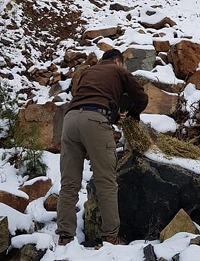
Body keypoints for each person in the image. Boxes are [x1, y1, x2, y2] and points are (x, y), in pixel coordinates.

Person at [56, 49, 148, 246]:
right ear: (117, 61)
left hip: (70, 121)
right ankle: (110, 236)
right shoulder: (118, 71)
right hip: (95, 120)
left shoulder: (89, 72)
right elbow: (141, 97)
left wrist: (114, 115)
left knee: (69, 183)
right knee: (106, 181)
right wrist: (132, 114)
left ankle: (65, 236)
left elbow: (91, 97)